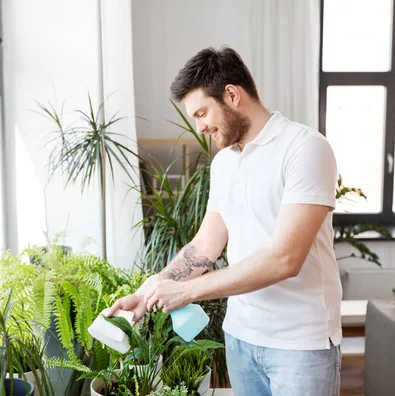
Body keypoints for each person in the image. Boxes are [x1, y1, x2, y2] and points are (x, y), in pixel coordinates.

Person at [107, 46, 342, 396]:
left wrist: (187, 291)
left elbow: (285, 259)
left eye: (202, 112)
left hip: (300, 344)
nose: (200, 127)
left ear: (231, 95)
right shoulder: (224, 163)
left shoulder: (305, 148)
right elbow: (204, 246)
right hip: (241, 338)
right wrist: (147, 293)